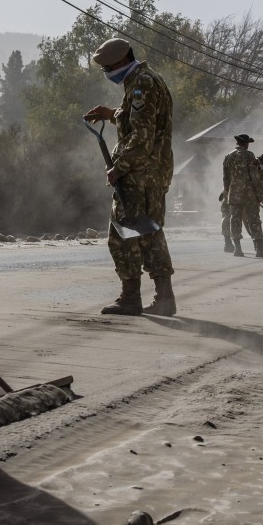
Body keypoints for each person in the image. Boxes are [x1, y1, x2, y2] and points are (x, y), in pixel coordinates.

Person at [84, 37, 176, 316]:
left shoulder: (141, 84)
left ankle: (131, 297)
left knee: (122, 235)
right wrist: (112, 114)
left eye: (108, 67)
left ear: (122, 61)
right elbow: (143, 120)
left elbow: (142, 136)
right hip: (152, 173)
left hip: (139, 175)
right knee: (149, 234)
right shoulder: (146, 79)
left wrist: (118, 168)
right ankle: (164, 298)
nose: (107, 73)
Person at [221, 134, 263, 258]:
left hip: (234, 194)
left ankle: (237, 249)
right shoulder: (249, 155)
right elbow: (254, 177)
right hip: (249, 194)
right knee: (254, 220)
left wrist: (227, 193)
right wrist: (258, 194)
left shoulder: (228, 157)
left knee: (235, 220)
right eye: (248, 143)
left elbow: (225, 179)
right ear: (245, 143)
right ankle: (259, 249)